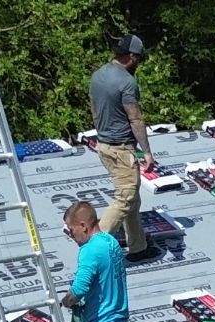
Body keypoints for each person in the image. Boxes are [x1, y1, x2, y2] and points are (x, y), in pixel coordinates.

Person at [87, 34, 152, 259]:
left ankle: (138, 247)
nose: (139, 63)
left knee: (131, 196)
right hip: (121, 149)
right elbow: (135, 118)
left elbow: (95, 108)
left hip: (104, 146)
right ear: (132, 57)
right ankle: (93, 248)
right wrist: (146, 152)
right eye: (139, 59)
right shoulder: (126, 82)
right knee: (125, 198)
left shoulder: (98, 75)